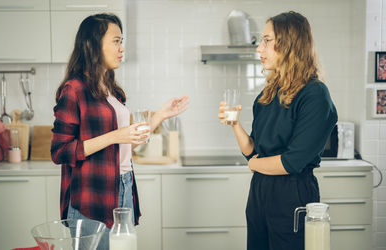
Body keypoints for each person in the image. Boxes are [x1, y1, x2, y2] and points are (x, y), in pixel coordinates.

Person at [51, 13, 189, 250]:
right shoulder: (74, 89)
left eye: (121, 41)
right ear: (93, 45)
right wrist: (115, 135)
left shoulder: (112, 91)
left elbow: (123, 145)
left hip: (123, 187)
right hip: (91, 197)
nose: (121, 48)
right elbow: (60, 152)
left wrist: (160, 116)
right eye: (116, 41)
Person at [218, 11, 337, 250]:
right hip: (259, 195)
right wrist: (235, 125)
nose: (259, 49)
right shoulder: (267, 95)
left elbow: (292, 161)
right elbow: (253, 151)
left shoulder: (314, 95)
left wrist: (253, 165)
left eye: (266, 40)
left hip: (292, 196)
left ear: (289, 43)